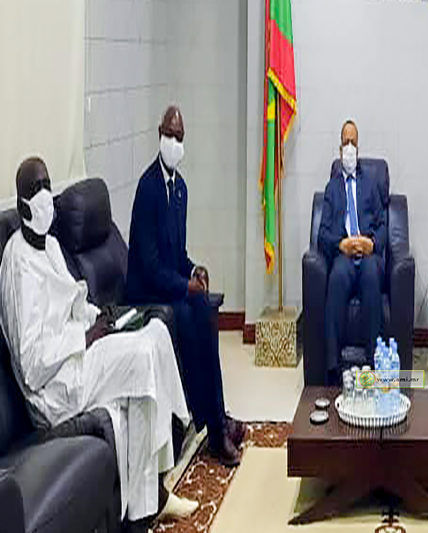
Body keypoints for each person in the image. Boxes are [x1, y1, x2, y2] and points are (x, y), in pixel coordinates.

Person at [0, 157, 199, 530]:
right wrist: (84, 337)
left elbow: (72, 305)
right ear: (22, 201)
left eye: (47, 185)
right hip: (56, 387)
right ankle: (152, 496)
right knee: (143, 358)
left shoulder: (51, 246)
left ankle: (150, 497)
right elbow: (32, 364)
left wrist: (98, 318)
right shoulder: (17, 263)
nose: (44, 195)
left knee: (156, 332)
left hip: (79, 360)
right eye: (35, 188)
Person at [126, 106, 245, 466]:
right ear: (159, 134)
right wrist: (184, 285)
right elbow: (149, 267)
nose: (174, 142)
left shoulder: (181, 189)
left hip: (171, 285)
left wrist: (195, 270)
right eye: (169, 134)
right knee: (190, 318)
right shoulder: (147, 189)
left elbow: (178, 256)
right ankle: (216, 428)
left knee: (204, 309)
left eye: (179, 137)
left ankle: (217, 418)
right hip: (147, 295)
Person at [318, 120, 387, 385]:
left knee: (371, 276)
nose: (349, 147)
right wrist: (340, 244)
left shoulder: (371, 184)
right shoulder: (332, 188)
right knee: (336, 278)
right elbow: (322, 233)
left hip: (368, 255)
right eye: (345, 142)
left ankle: (373, 362)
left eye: (353, 142)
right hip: (344, 256)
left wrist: (372, 243)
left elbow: (382, 224)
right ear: (340, 149)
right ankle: (333, 367)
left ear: (358, 148)